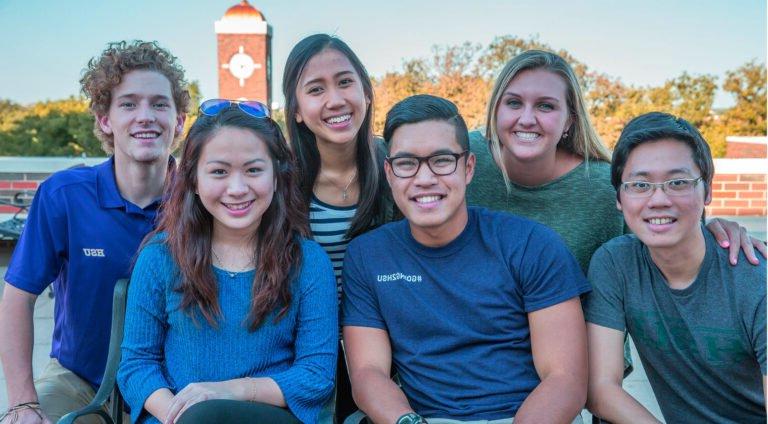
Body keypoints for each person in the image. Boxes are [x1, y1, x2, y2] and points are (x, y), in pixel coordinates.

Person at [343, 95, 590, 423]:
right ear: (389, 173)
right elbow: (367, 373)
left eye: (442, 160)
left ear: (468, 167)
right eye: (406, 163)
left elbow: (565, 379)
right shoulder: (368, 256)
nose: (425, 178)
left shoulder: (532, 244)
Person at [0, 40, 189, 424]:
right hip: (79, 380)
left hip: (174, 385)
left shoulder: (202, 197)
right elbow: (17, 298)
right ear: (105, 120)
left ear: (180, 120)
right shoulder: (64, 196)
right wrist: (22, 403)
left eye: (159, 104)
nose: (145, 116)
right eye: (129, 104)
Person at [117, 101, 337, 424]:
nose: (237, 189)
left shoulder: (308, 262)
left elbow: (316, 376)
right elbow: (136, 366)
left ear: (276, 176)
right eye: (219, 171)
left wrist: (230, 391)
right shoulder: (160, 258)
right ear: (193, 180)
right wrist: (181, 414)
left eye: (253, 170)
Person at [467, 49, 765, 273]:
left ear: (570, 120)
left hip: (588, 349)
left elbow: (667, 231)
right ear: (496, 110)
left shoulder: (606, 187)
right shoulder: (462, 161)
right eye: (514, 103)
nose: (527, 119)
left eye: (546, 106)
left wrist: (713, 231)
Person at [584, 112, 766, 424]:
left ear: (707, 191)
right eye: (640, 184)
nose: (658, 199)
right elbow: (601, 389)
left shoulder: (754, 278)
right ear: (619, 197)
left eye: (678, 182)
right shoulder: (616, 265)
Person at [282, 33, 397, 419]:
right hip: (303, 348)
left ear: (365, 91)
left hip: (390, 347)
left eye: (345, 82)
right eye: (316, 89)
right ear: (297, 109)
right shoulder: (278, 182)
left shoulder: (399, 168)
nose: (335, 99)